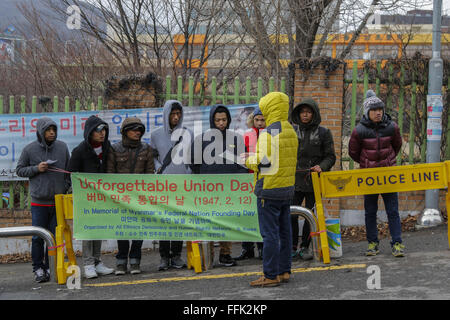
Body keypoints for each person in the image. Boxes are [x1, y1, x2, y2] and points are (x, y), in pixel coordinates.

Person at [244, 92, 298, 287]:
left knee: (270, 234)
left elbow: (263, 161)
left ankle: (270, 275)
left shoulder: (269, 133)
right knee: (285, 232)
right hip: (287, 188)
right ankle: (284, 271)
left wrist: (247, 159)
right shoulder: (291, 130)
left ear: (269, 108)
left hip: (269, 189)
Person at [190, 104, 248, 267]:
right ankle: (207, 254)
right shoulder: (201, 139)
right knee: (208, 222)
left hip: (229, 190)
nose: (221, 123)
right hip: (207, 190)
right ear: (212, 121)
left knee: (227, 221)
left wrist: (236, 181)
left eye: (224, 120)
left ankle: (225, 254)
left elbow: (243, 164)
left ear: (228, 120)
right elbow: (193, 163)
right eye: (217, 120)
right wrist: (205, 177)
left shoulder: (236, 139)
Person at [349, 89, 404, 257]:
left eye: (380, 109)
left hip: (389, 175)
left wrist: (387, 162)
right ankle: (372, 243)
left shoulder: (392, 127)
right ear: (367, 112)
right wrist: (367, 163)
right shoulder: (359, 131)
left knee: (393, 211)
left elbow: (397, 146)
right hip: (369, 177)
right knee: (370, 211)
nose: (378, 113)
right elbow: (353, 152)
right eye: (374, 110)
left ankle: (397, 243)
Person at [16, 117, 70, 283]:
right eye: (48, 130)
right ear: (40, 132)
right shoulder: (29, 150)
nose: (52, 132)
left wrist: (65, 186)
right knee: (38, 237)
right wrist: (36, 169)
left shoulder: (62, 147)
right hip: (39, 202)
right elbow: (19, 170)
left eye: (54, 129)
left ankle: (50, 266)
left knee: (53, 237)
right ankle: (38, 268)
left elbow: (68, 170)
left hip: (57, 200)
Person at [68, 115, 115, 279]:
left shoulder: (108, 147)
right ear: (90, 132)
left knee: (99, 229)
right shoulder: (79, 151)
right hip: (86, 199)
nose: (102, 134)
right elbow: (71, 175)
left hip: (103, 198)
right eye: (98, 131)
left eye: (104, 130)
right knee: (88, 231)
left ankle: (97, 261)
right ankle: (87, 264)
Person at [107, 117, 155, 275]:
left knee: (138, 229)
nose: (137, 132)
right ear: (125, 132)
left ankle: (135, 260)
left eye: (140, 129)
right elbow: (110, 174)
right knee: (122, 229)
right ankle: (121, 262)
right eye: (134, 129)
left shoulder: (146, 149)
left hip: (140, 197)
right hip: (121, 198)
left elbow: (149, 173)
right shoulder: (114, 149)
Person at [290, 99, 336, 260]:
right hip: (294, 180)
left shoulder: (324, 133)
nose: (305, 115)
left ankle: (306, 247)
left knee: (311, 215)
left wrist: (321, 167)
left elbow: (330, 156)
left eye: (308, 112)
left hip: (313, 181)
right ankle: (292, 246)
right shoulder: (292, 131)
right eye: (302, 112)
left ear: (314, 114)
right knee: (291, 214)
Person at [150, 100, 192, 271]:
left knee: (178, 221)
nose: (176, 117)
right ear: (166, 114)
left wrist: (189, 174)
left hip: (182, 184)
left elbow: (191, 157)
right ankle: (163, 257)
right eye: (172, 114)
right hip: (163, 185)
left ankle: (176, 255)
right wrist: (157, 168)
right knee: (163, 221)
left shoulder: (187, 133)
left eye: (178, 114)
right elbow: (152, 156)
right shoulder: (156, 135)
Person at [234, 107, 265, 261]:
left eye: (262, 120)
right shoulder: (247, 135)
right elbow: (241, 157)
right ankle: (247, 249)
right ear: (252, 120)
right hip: (249, 179)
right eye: (257, 120)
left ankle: (262, 248)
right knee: (247, 214)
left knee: (261, 215)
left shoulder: (269, 136)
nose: (259, 123)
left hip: (264, 179)